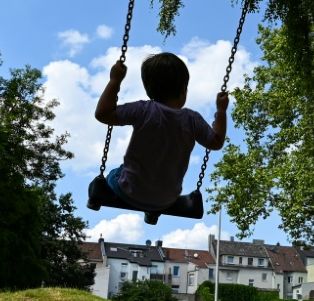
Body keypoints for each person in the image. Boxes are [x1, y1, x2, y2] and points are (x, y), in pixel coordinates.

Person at [95, 52, 228, 224]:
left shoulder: (142, 110)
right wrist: (221, 111)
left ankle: (146, 207)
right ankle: (152, 213)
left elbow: (103, 114)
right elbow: (216, 142)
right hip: (166, 199)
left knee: (115, 173)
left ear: (150, 90)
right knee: (156, 178)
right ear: (183, 90)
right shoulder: (192, 120)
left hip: (129, 191)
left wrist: (115, 81)